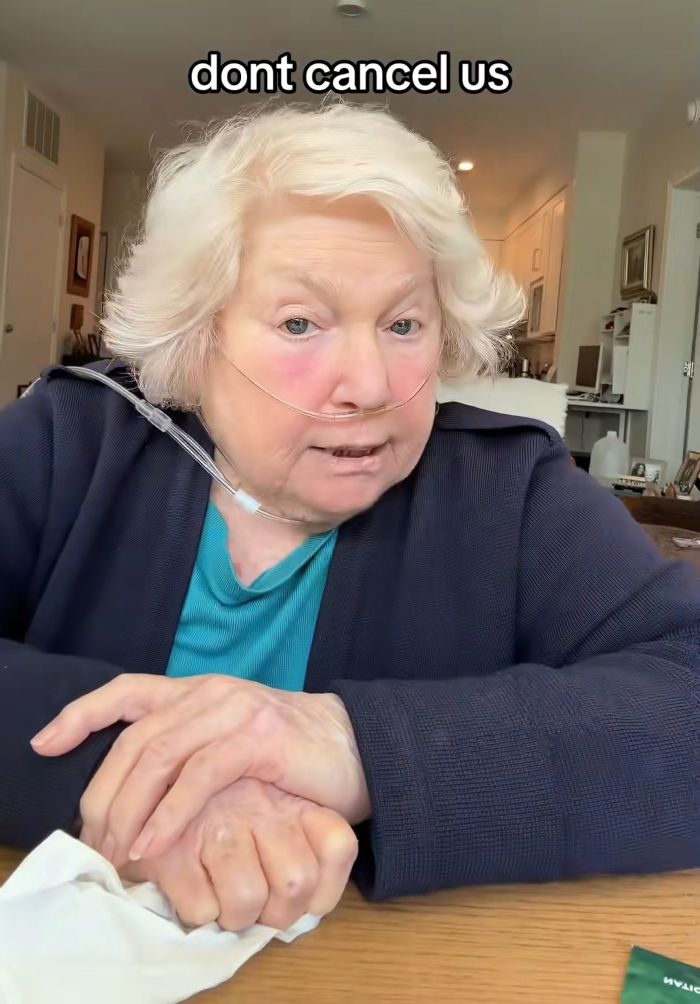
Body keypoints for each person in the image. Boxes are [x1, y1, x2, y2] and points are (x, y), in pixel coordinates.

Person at [1, 104, 698, 933]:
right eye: (301, 322)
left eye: (404, 324)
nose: (368, 385)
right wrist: (176, 783)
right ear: (200, 333)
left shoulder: (511, 491)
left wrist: (360, 746)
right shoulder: (69, 442)